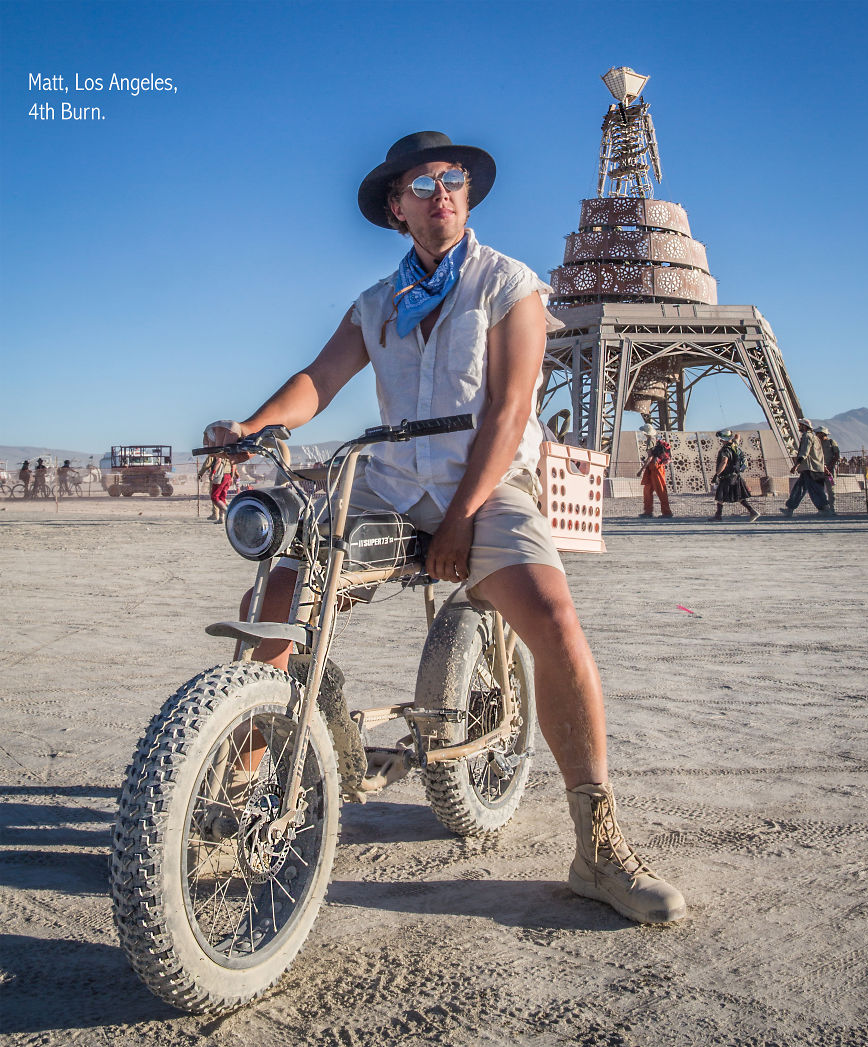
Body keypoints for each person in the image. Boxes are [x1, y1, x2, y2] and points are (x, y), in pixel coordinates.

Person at [203, 131, 686, 925]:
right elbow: (318, 382)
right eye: (422, 185)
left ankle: (597, 845)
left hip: (488, 484)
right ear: (397, 208)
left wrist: (461, 518)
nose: (442, 194)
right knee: (282, 578)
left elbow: (507, 413)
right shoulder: (377, 305)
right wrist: (252, 424)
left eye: (452, 179)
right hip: (390, 486)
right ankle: (228, 792)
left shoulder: (509, 285)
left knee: (555, 618)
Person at [781, 418, 830, 516]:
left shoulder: (806, 436)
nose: (799, 427)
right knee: (800, 489)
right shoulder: (815, 437)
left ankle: (824, 509)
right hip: (815, 467)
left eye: (800, 425)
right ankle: (790, 509)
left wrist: (796, 465)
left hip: (810, 468)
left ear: (804, 426)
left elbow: (804, 452)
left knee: (813, 489)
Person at [710, 431, 760, 521]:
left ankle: (718, 516)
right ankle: (752, 512)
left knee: (720, 496)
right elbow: (738, 436)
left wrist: (717, 474)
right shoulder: (735, 446)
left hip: (727, 477)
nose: (720, 441)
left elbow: (724, 462)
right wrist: (732, 435)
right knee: (739, 496)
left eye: (721, 439)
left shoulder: (725, 450)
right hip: (736, 476)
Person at [636, 423, 673, 518]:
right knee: (654, 489)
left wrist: (641, 470)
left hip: (654, 467)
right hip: (657, 467)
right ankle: (661, 512)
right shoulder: (656, 439)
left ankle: (662, 512)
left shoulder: (650, 441)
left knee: (654, 490)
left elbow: (650, 457)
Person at [198, 449, 237, 523]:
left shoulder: (218, 451)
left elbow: (216, 461)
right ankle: (221, 518)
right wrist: (232, 477)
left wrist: (212, 473)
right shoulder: (230, 453)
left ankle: (227, 512)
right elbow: (234, 464)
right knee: (222, 498)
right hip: (228, 476)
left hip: (220, 476)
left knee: (214, 496)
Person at [815, 425, 840, 514]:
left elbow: (836, 455)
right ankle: (822, 509)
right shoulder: (817, 444)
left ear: (822, 433)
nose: (816, 434)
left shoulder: (831, 442)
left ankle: (832, 508)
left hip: (830, 471)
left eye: (817, 433)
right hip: (819, 471)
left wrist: (829, 467)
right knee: (819, 490)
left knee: (831, 490)